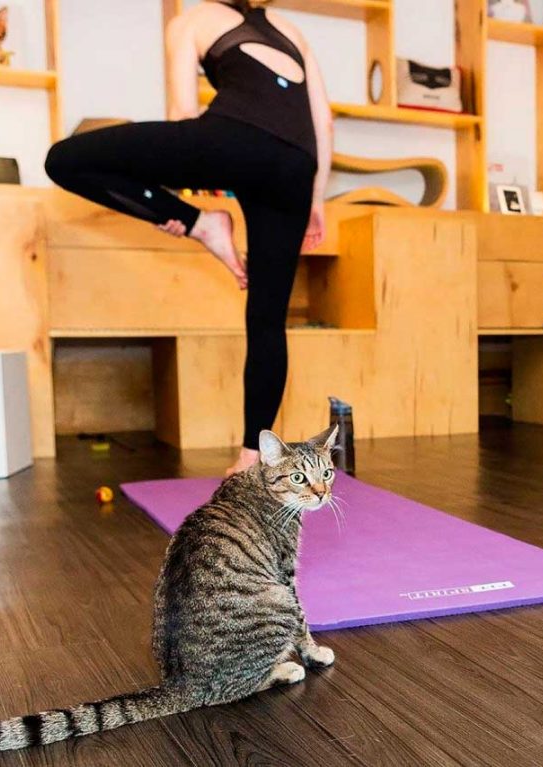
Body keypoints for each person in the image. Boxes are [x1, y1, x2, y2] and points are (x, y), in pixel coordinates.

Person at [45, 0, 333, 475]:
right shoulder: (288, 26)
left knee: (66, 160)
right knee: (267, 320)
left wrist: (174, 194)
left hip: (233, 138)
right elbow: (322, 121)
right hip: (296, 170)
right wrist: (315, 200)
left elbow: (183, 111)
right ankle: (252, 457)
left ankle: (202, 223)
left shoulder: (192, 20)